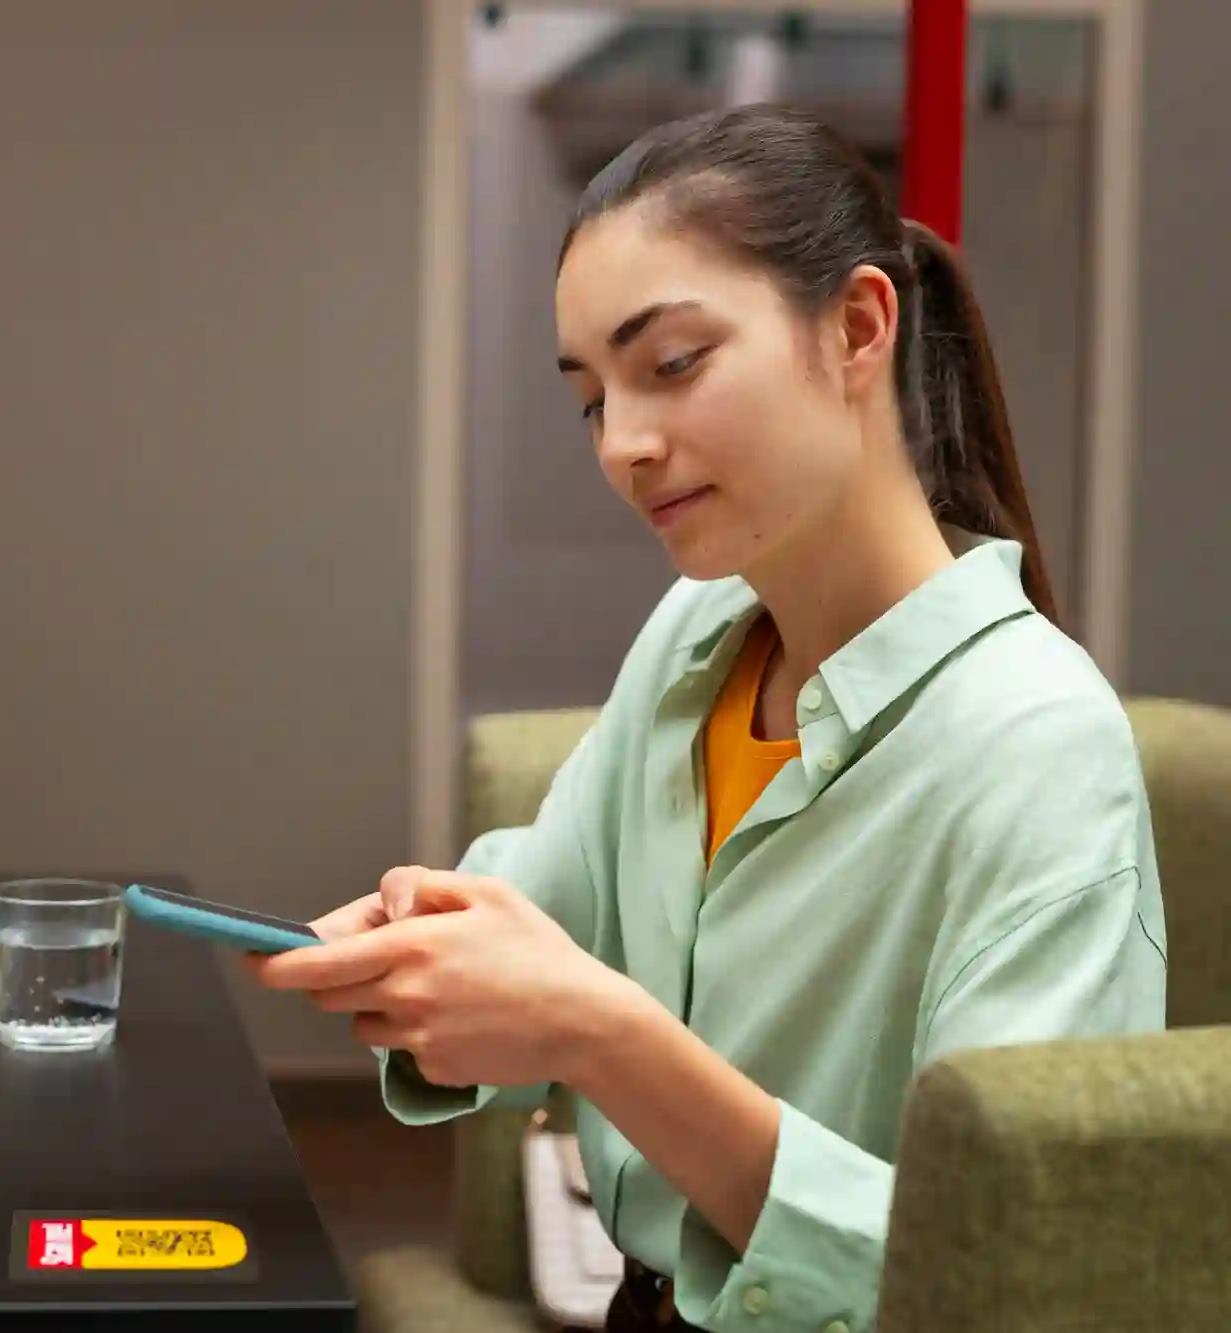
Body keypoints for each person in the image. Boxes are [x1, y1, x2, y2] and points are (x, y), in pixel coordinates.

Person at [251, 104, 1167, 1333]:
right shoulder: (693, 641)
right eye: (590, 399)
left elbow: (1003, 1272)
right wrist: (424, 942)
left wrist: (596, 1030)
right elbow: (549, 904)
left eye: (671, 363)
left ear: (855, 326)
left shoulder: (1038, 749)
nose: (623, 445)